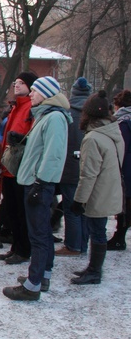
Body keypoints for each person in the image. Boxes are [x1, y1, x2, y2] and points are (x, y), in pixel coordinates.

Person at [3, 76, 71, 301]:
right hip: (35, 181)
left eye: (35, 91)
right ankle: (42, 276)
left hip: (39, 183)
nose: (30, 94)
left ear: (47, 93)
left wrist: (41, 184)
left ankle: (32, 286)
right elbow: (42, 147)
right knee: (41, 233)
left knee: (39, 235)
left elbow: (53, 155)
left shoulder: (54, 118)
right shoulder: (46, 115)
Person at [70, 91, 125, 285]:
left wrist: (79, 200)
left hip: (98, 192)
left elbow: (89, 174)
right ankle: (93, 269)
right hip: (110, 189)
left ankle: (94, 271)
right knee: (98, 231)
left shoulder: (93, 138)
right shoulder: (112, 132)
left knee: (98, 232)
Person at [0, 72, 38, 261]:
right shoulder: (15, 107)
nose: (16, 85)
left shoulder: (31, 108)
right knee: (12, 210)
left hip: (21, 168)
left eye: (21, 83)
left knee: (22, 212)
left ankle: (24, 249)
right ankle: (16, 246)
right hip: (8, 167)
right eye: (15, 82)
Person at [55, 77, 91, 256]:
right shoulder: (94, 114)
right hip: (89, 168)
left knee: (71, 208)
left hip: (69, 167)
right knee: (84, 208)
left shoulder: (67, 113)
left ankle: (73, 245)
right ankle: (82, 243)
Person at [106, 90, 131, 251]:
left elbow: (122, 147)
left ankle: (119, 238)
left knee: (125, 203)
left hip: (126, 168)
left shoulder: (123, 122)